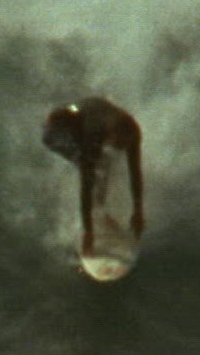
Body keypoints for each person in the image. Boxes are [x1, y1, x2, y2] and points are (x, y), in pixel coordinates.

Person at [42, 96, 144, 255]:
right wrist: (88, 232)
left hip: (88, 112)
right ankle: (96, 215)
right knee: (92, 167)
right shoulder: (93, 136)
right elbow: (86, 187)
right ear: (111, 133)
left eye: (123, 145)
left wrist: (138, 211)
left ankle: (100, 211)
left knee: (104, 162)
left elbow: (135, 171)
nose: (120, 147)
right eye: (117, 143)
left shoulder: (133, 131)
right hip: (56, 130)